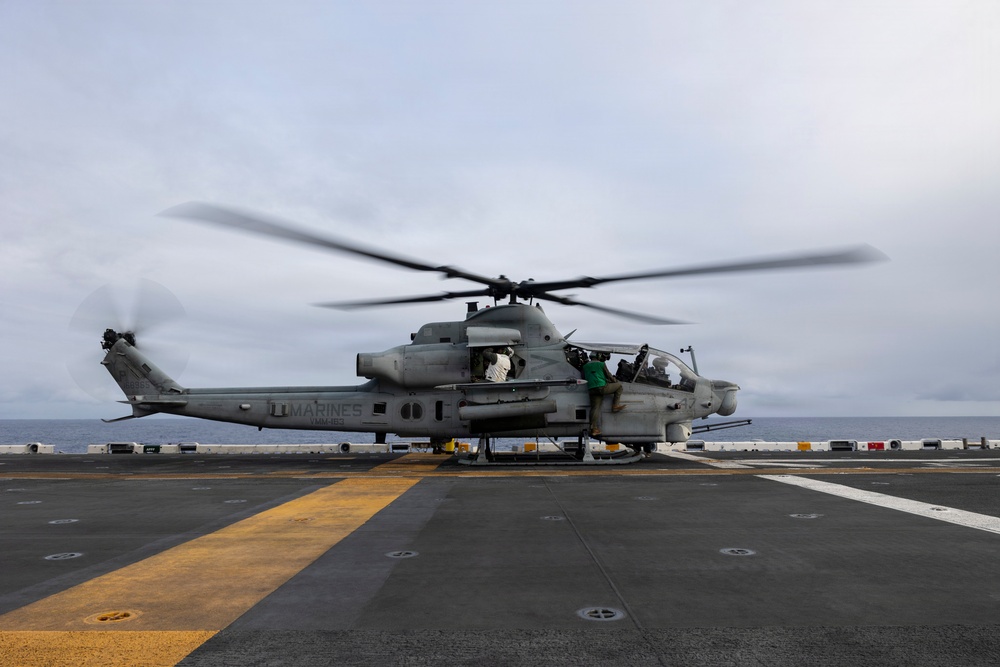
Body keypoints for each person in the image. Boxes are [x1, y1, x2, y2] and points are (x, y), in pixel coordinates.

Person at [582, 352, 625, 436]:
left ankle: (593, 428)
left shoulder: (585, 366)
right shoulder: (601, 364)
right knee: (619, 386)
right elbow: (608, 375)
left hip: (591, 389)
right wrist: (615, 381)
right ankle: (615, 406)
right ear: (598, 356)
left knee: (595, 408)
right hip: (602, 387)